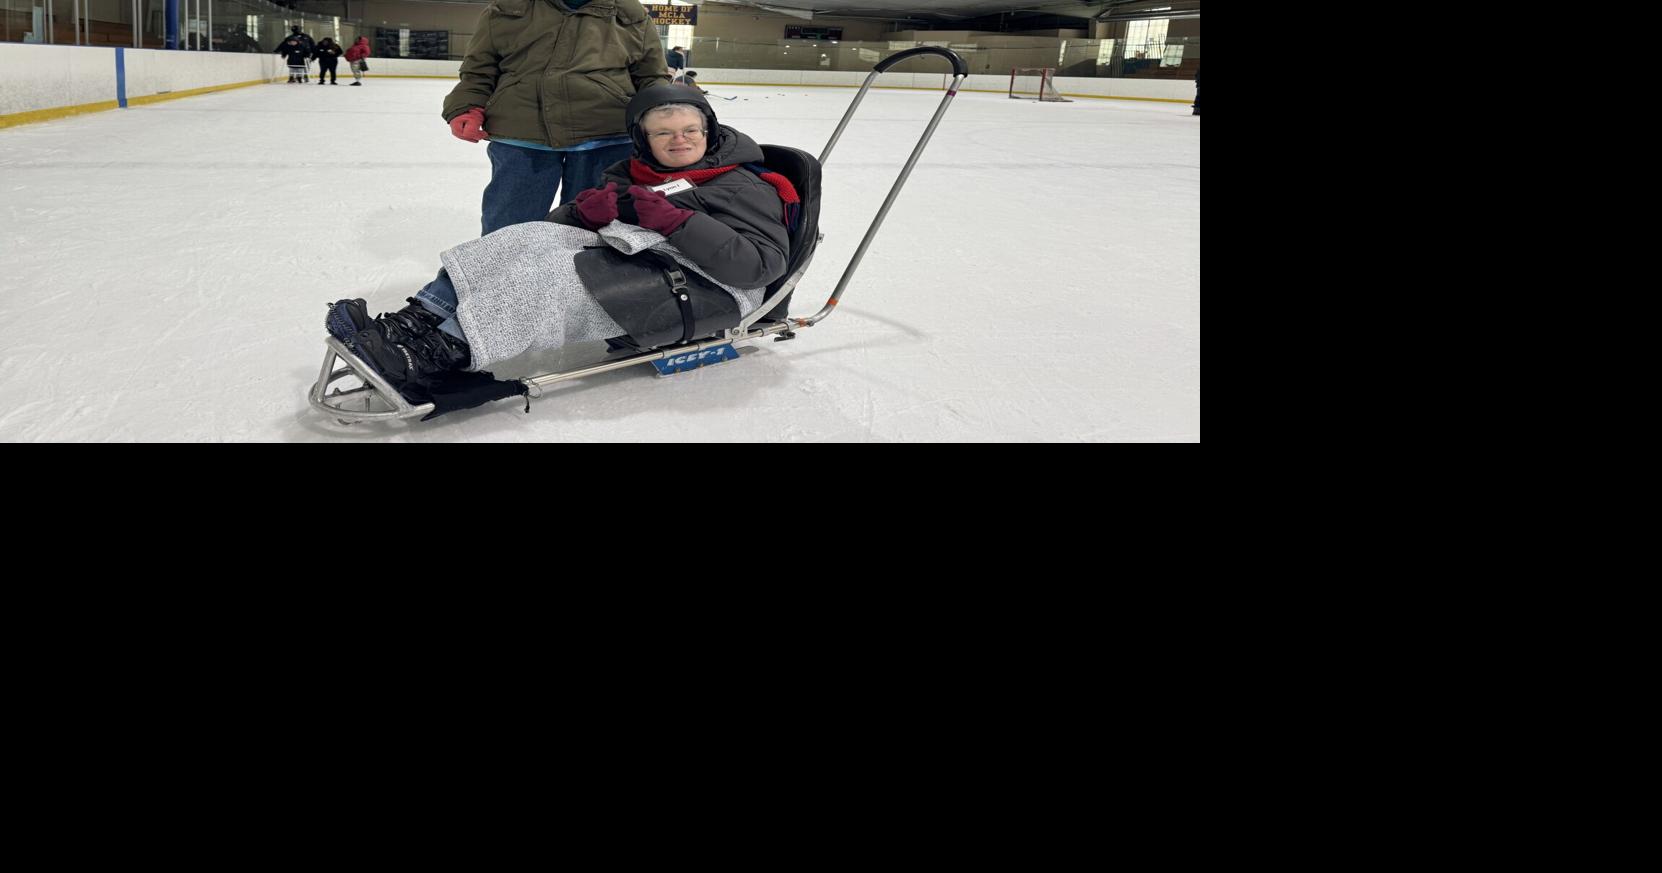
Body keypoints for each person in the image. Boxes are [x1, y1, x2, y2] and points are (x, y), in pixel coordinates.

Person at [326, 85, 793, 410]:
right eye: (664, 132)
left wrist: (679, 221)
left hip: (713, 288)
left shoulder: (740, 185)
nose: (680, 140)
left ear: (708, 130)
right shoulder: (636, 173)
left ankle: (431, 353)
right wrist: (579, 214)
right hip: (650, 264)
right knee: (521, 239)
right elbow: (557, 231)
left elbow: (760, 267)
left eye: (691, 130)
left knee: (548, 278)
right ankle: (414, 326)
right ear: (642, 139)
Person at [442, 0, 671, 237]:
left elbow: (652, 76)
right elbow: (479, 70)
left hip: (605, 134)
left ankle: (583, 273)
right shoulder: (508, 8)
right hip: (523, 132)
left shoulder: (629, 13)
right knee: (510, 226)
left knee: (594, 226)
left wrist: (662, 116)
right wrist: (467, 106)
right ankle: (500, 271)